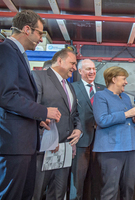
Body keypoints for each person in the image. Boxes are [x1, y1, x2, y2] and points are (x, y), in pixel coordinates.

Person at [0, 10, 61, 200]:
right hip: (13, 145)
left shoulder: (19, 54)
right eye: (40, 33)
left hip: (23, 143)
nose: (41, 39)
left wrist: (37, 121)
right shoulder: (6, 51)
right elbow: (7, 96)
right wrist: (43, 111)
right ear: (27, 29)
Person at [32, 48, 82, 200]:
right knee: (36, 193)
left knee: (58, 194)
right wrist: (42, 118)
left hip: (64, 150)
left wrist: (79, 129)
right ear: (60, 61)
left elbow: (75, 114)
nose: (74, 68)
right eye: (72, 63)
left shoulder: (70, 86)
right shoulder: (38, 77)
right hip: (43, 149)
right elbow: (30, 107)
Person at [93, 66, 135, 200]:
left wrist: (134, 119)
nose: (126, 82)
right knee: (110, 190)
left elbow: (129, 121)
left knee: (128, 188)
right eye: (124, 79)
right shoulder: (100, 96)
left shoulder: (125, 97)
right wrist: (126, 114)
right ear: (113, 79)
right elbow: (102, 120)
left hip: (130, 148)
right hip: (111, 150)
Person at [70, 59, 105, 200]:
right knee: (77, 181)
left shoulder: (103, 89)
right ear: (80, 71)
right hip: (80, 141)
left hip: (101, 142)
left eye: (93, 68)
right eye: (88, 69)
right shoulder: (72, 87)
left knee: (98, 180)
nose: (92, 71)